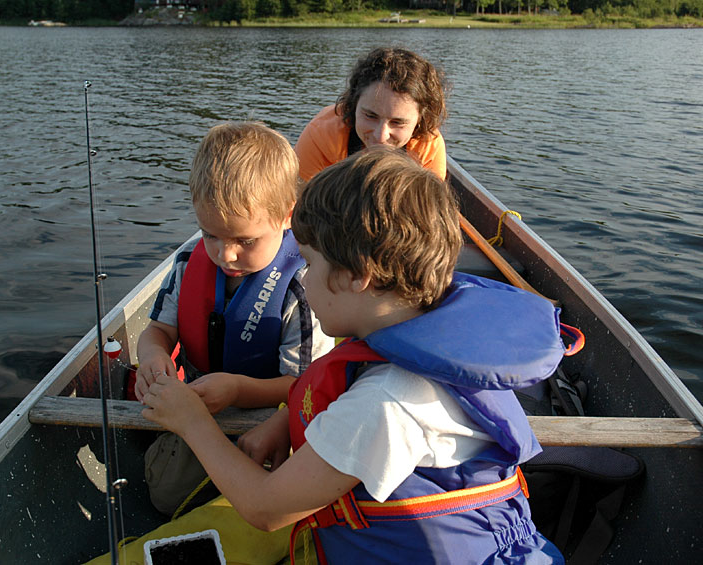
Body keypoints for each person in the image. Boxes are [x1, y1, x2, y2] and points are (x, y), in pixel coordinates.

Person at [142, 147, 567, 564]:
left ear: (357, 276)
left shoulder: (387, 403)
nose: (304, 280)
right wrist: (285, 419)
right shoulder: (425, 336)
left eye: (310, 264)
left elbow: (265, 509)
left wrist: (192, 421)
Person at [135, 121, 334, 516]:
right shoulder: (189, 263)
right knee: (165, 497)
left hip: (269, 417)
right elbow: (158, 330)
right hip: (199, 405)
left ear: (286, 216)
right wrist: (152, 357)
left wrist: (237, 390)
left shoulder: (302, 285)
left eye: (245, 241)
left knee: (270, 499)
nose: (225, 254)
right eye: (210, 235)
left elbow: (302, 383)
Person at [294, 47, 448, 183]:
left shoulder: (428, 147)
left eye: (397, 122)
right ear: (353, 104)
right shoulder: (321, 134)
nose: (380, 136)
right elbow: (300, 201)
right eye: (370, 116)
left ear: (420, 119)